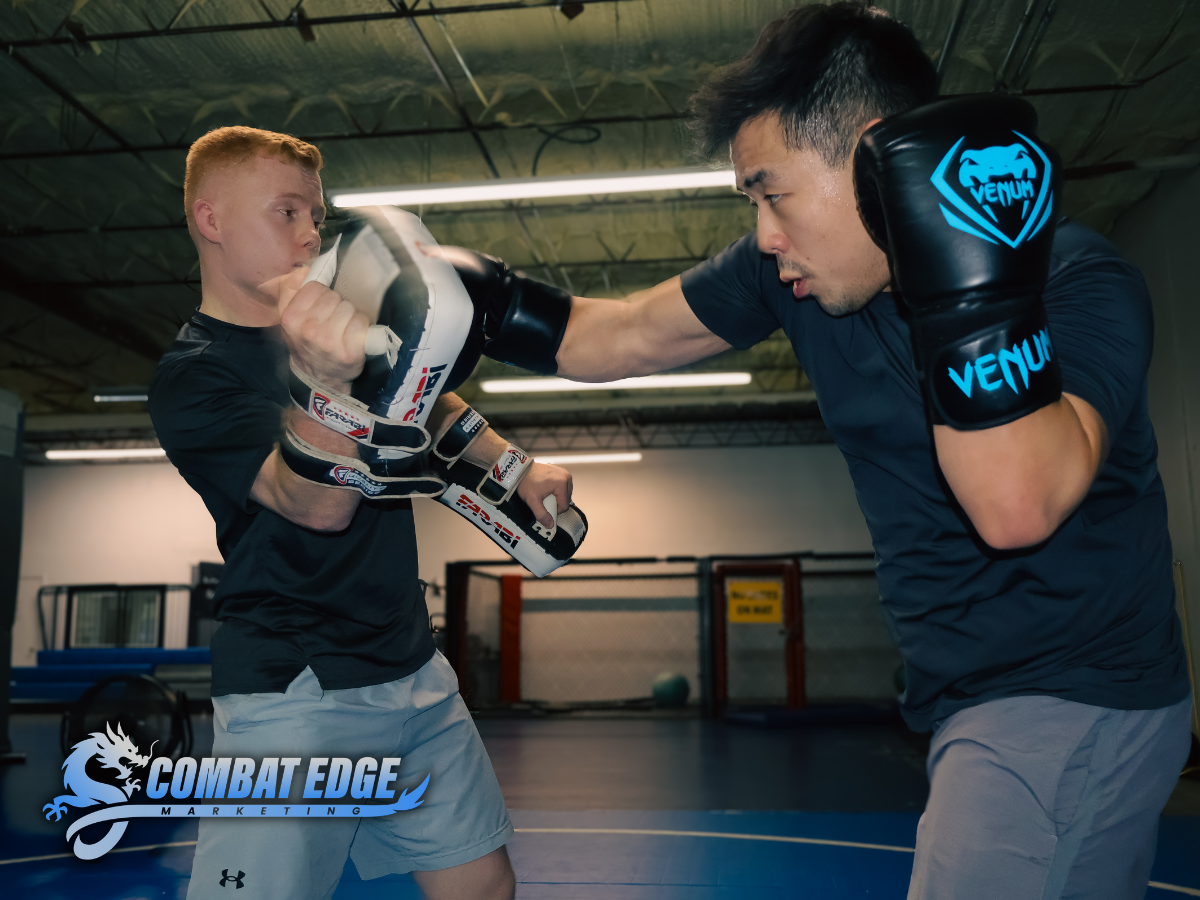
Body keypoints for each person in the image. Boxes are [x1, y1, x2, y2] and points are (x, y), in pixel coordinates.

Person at [439, 5, 1193, 899]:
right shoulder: (788, 276)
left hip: (1075, 693)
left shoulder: (1076, 281)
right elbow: (621, 335)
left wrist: (964, 283)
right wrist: (478, 297)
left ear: (876, 164)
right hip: (970, 694)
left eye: (773, 193)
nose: (765, 234)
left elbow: (1015, 505)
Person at [148, 126, 572, 900]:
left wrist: (514, 465)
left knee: (482, 886)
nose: (310, 233)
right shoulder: (195, 376)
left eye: (315, 215)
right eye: (286, 212)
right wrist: (330, 383)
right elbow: (311, 503)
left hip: (410, 665)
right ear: (211, 220)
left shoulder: (337, 325)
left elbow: (428, 396)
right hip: (295, 689)